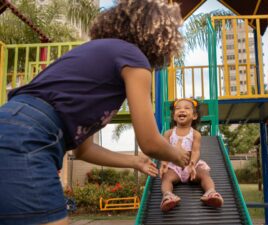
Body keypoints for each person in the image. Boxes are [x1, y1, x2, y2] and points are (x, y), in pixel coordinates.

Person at [0, 0, 190, 224]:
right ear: (157, 36)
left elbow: (85, 151)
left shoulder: (97, 58)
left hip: (12, 123)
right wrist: (178, 156)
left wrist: (134, 162)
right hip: (30, 134)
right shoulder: (133, 58)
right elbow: (150, 141)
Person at [159, 98, 224, 212]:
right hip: (175, 168)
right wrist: (164, 163)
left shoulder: (195, 134)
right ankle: (168, 195)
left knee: (204, 174)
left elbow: (195, 151)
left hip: (191, 167)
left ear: (194, 115)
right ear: (174, 116)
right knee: (166, 178)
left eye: (187, 108)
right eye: (178, 109)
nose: (182, 110)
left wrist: (193, 163)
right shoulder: (168, 133)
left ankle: (210, 192)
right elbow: (164, 150)